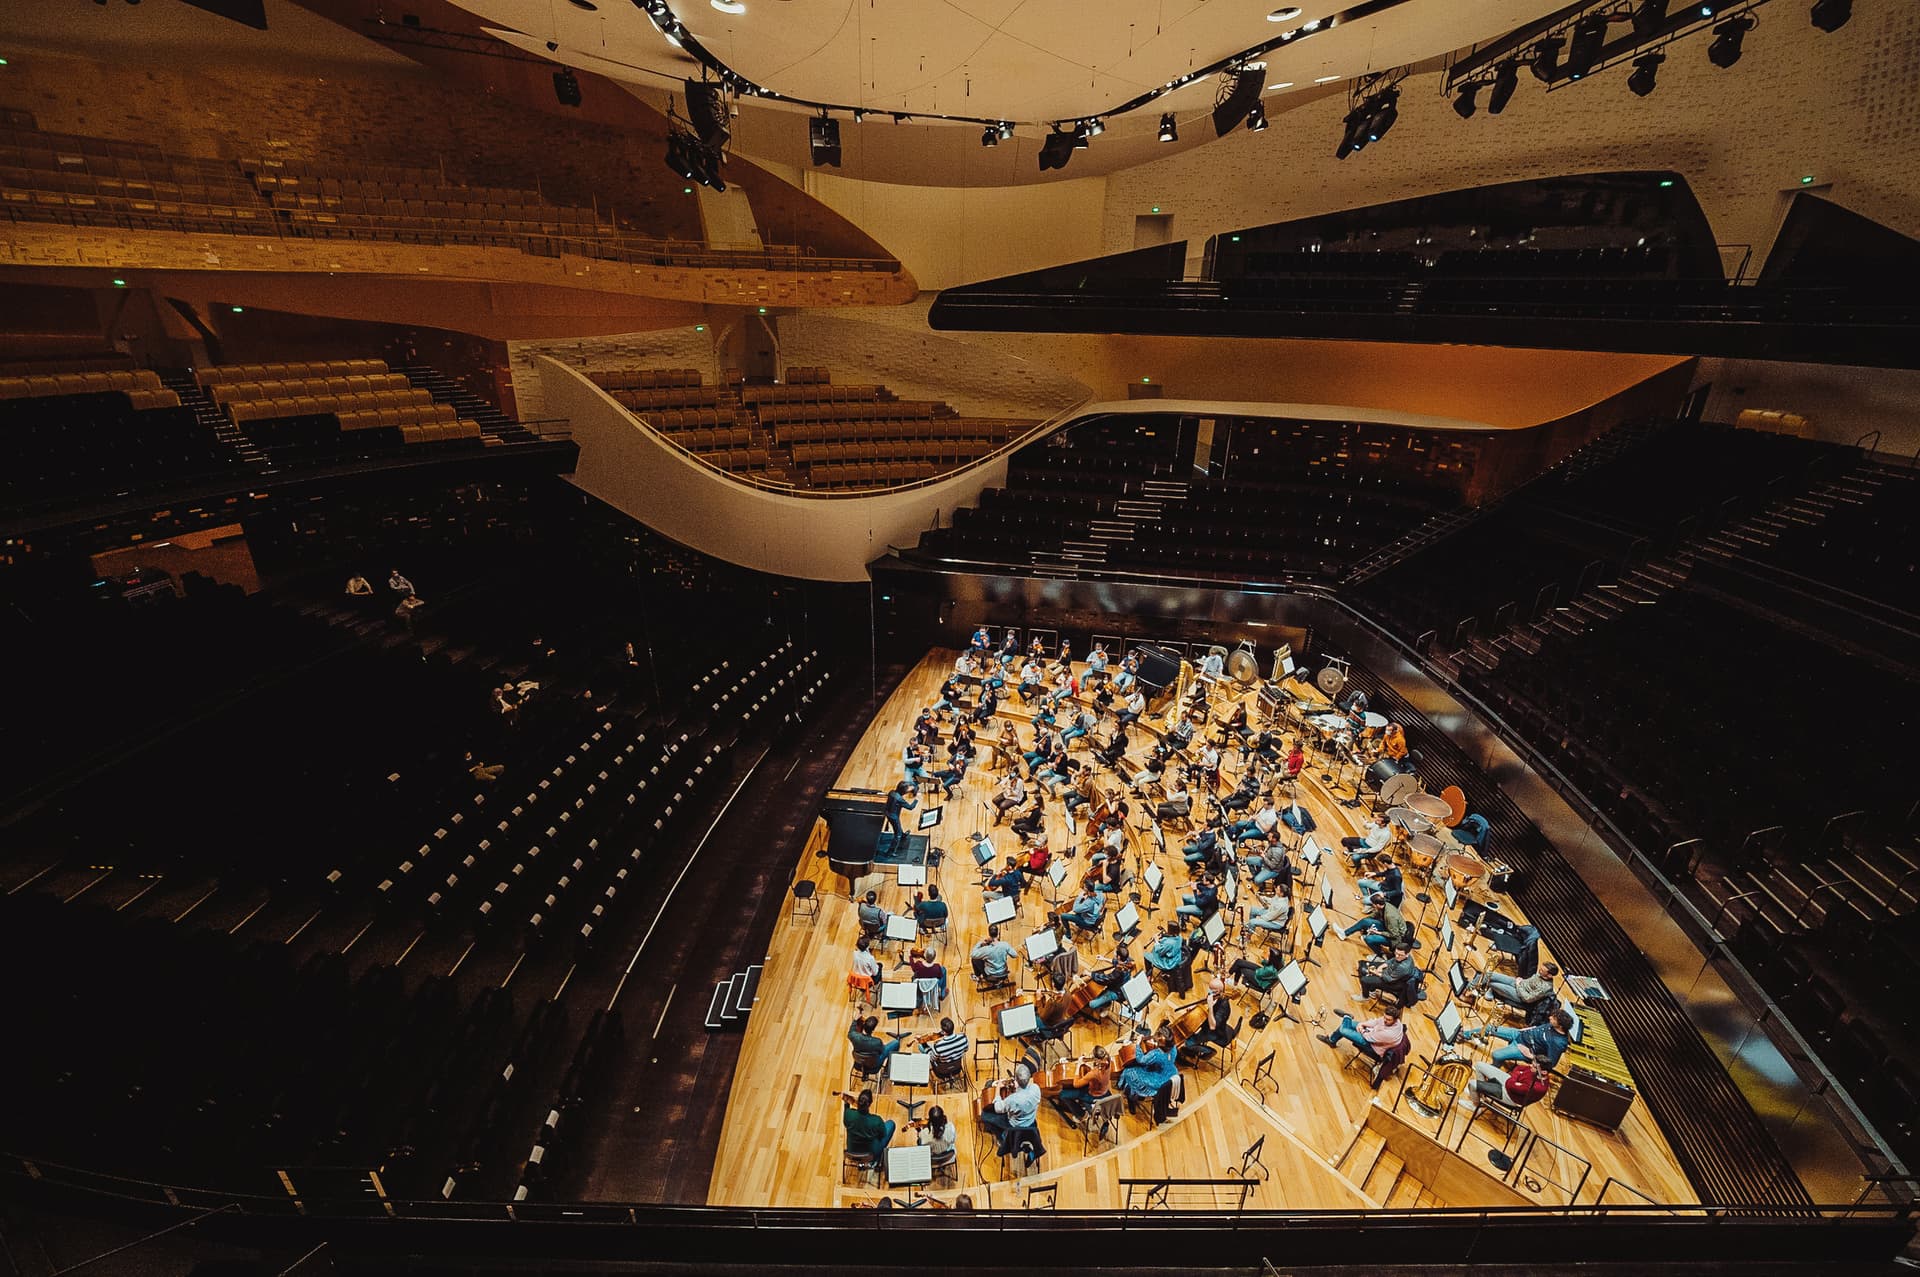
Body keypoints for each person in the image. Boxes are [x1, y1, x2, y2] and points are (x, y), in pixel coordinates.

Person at [1316, 1008, 1407, 1086]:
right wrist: (1363, 1024)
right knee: (1348, 1025)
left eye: (1388, 1019)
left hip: (1372, 1046)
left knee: (1343, 1029)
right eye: (1384, 1017)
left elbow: (1369, 1037)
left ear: (1395, 1020)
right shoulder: (1393, 1021)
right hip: (1372, 1033)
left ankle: (1346, 1018)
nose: (1385, 1020)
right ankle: (1334, 1038)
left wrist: (1362, 1030)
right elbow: (1376, 1022)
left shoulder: (1389, 1034)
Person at [1464, 1007, 1573, 1070]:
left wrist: (1529, 1055)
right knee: (1489, 1028)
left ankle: (1490, 1069)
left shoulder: (1558, 1043)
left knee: (1496, 1055)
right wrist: (1526, 1030)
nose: (1550, 1018)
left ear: (1560, 1025)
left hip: (1524, 1048)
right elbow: (1538, 1028)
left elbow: (1550, 1063)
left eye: (1553, 1019)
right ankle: (1463, 1035)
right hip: (1519, 1034)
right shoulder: (1552, 1025)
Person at [1115, 1031, 1181, 1120]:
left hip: (1157, 1081)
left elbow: (1141, 1060)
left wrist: (1138, 1044)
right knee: (1140, 1068)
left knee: (1128, 1071)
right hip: (1170, 1075)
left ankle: (1132, 1099)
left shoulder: (1157, 1054)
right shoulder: (1173, 1048)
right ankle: (1138, 1096)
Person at [979, 1062, 1041, 1155]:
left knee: (984, 1115)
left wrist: (998, 1088)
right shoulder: (1036, 1088)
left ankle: (1002, 1139)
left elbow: (997, 1107)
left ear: (1016, 1081)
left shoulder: (1013, 1100)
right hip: (1030, 1121)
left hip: (1013, 1124)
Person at [1051, 1044, 1113, 1125]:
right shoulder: (1108, 1062)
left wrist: (1079, 1065)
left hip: (1093, 1095)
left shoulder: (1094, 1073)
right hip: (1104, 1091)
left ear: (1097, 1060)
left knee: (1063, 1094)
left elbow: (1076, 1084)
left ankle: (1082, 1115)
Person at [1470, 962, 1560, 1011]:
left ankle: (1491, 990)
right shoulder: (1542, 974)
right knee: (1489, 974)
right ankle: (1469, 986)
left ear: (1549, 976)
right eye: (1540, 969)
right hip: (1518, 983)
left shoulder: (1546, 988)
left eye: (1542, 971)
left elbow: (1527, 998)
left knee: (1491, 983)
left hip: (1520, 996)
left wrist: (1518, 985)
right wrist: (1521, 981)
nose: (1539, 971)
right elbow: (1529, 981)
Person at [838, 1088, 894, 1161]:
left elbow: (846, 1115)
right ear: (870, 1104)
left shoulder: (848, 1114)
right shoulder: (876, 1120)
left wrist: (846, 1102)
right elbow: (882, 1135)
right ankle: (875, 1161)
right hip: (870, 1155)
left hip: (851, 1153)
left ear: (858, 1101)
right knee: (891, 1124)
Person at [1344, 892, 1410, 952]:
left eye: (1373, 904)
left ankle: (1380, 955)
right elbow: (1375, 914)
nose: (1372, 906)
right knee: (1365, 921)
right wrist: (1363, 923)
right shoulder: (1384, 905)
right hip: (1387, 928)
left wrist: (1378, 932)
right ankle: (1344, 933)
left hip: (1395, 940)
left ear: (1377, 905)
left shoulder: (1390, 916)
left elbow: (1395, 934)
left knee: (1368, 939)